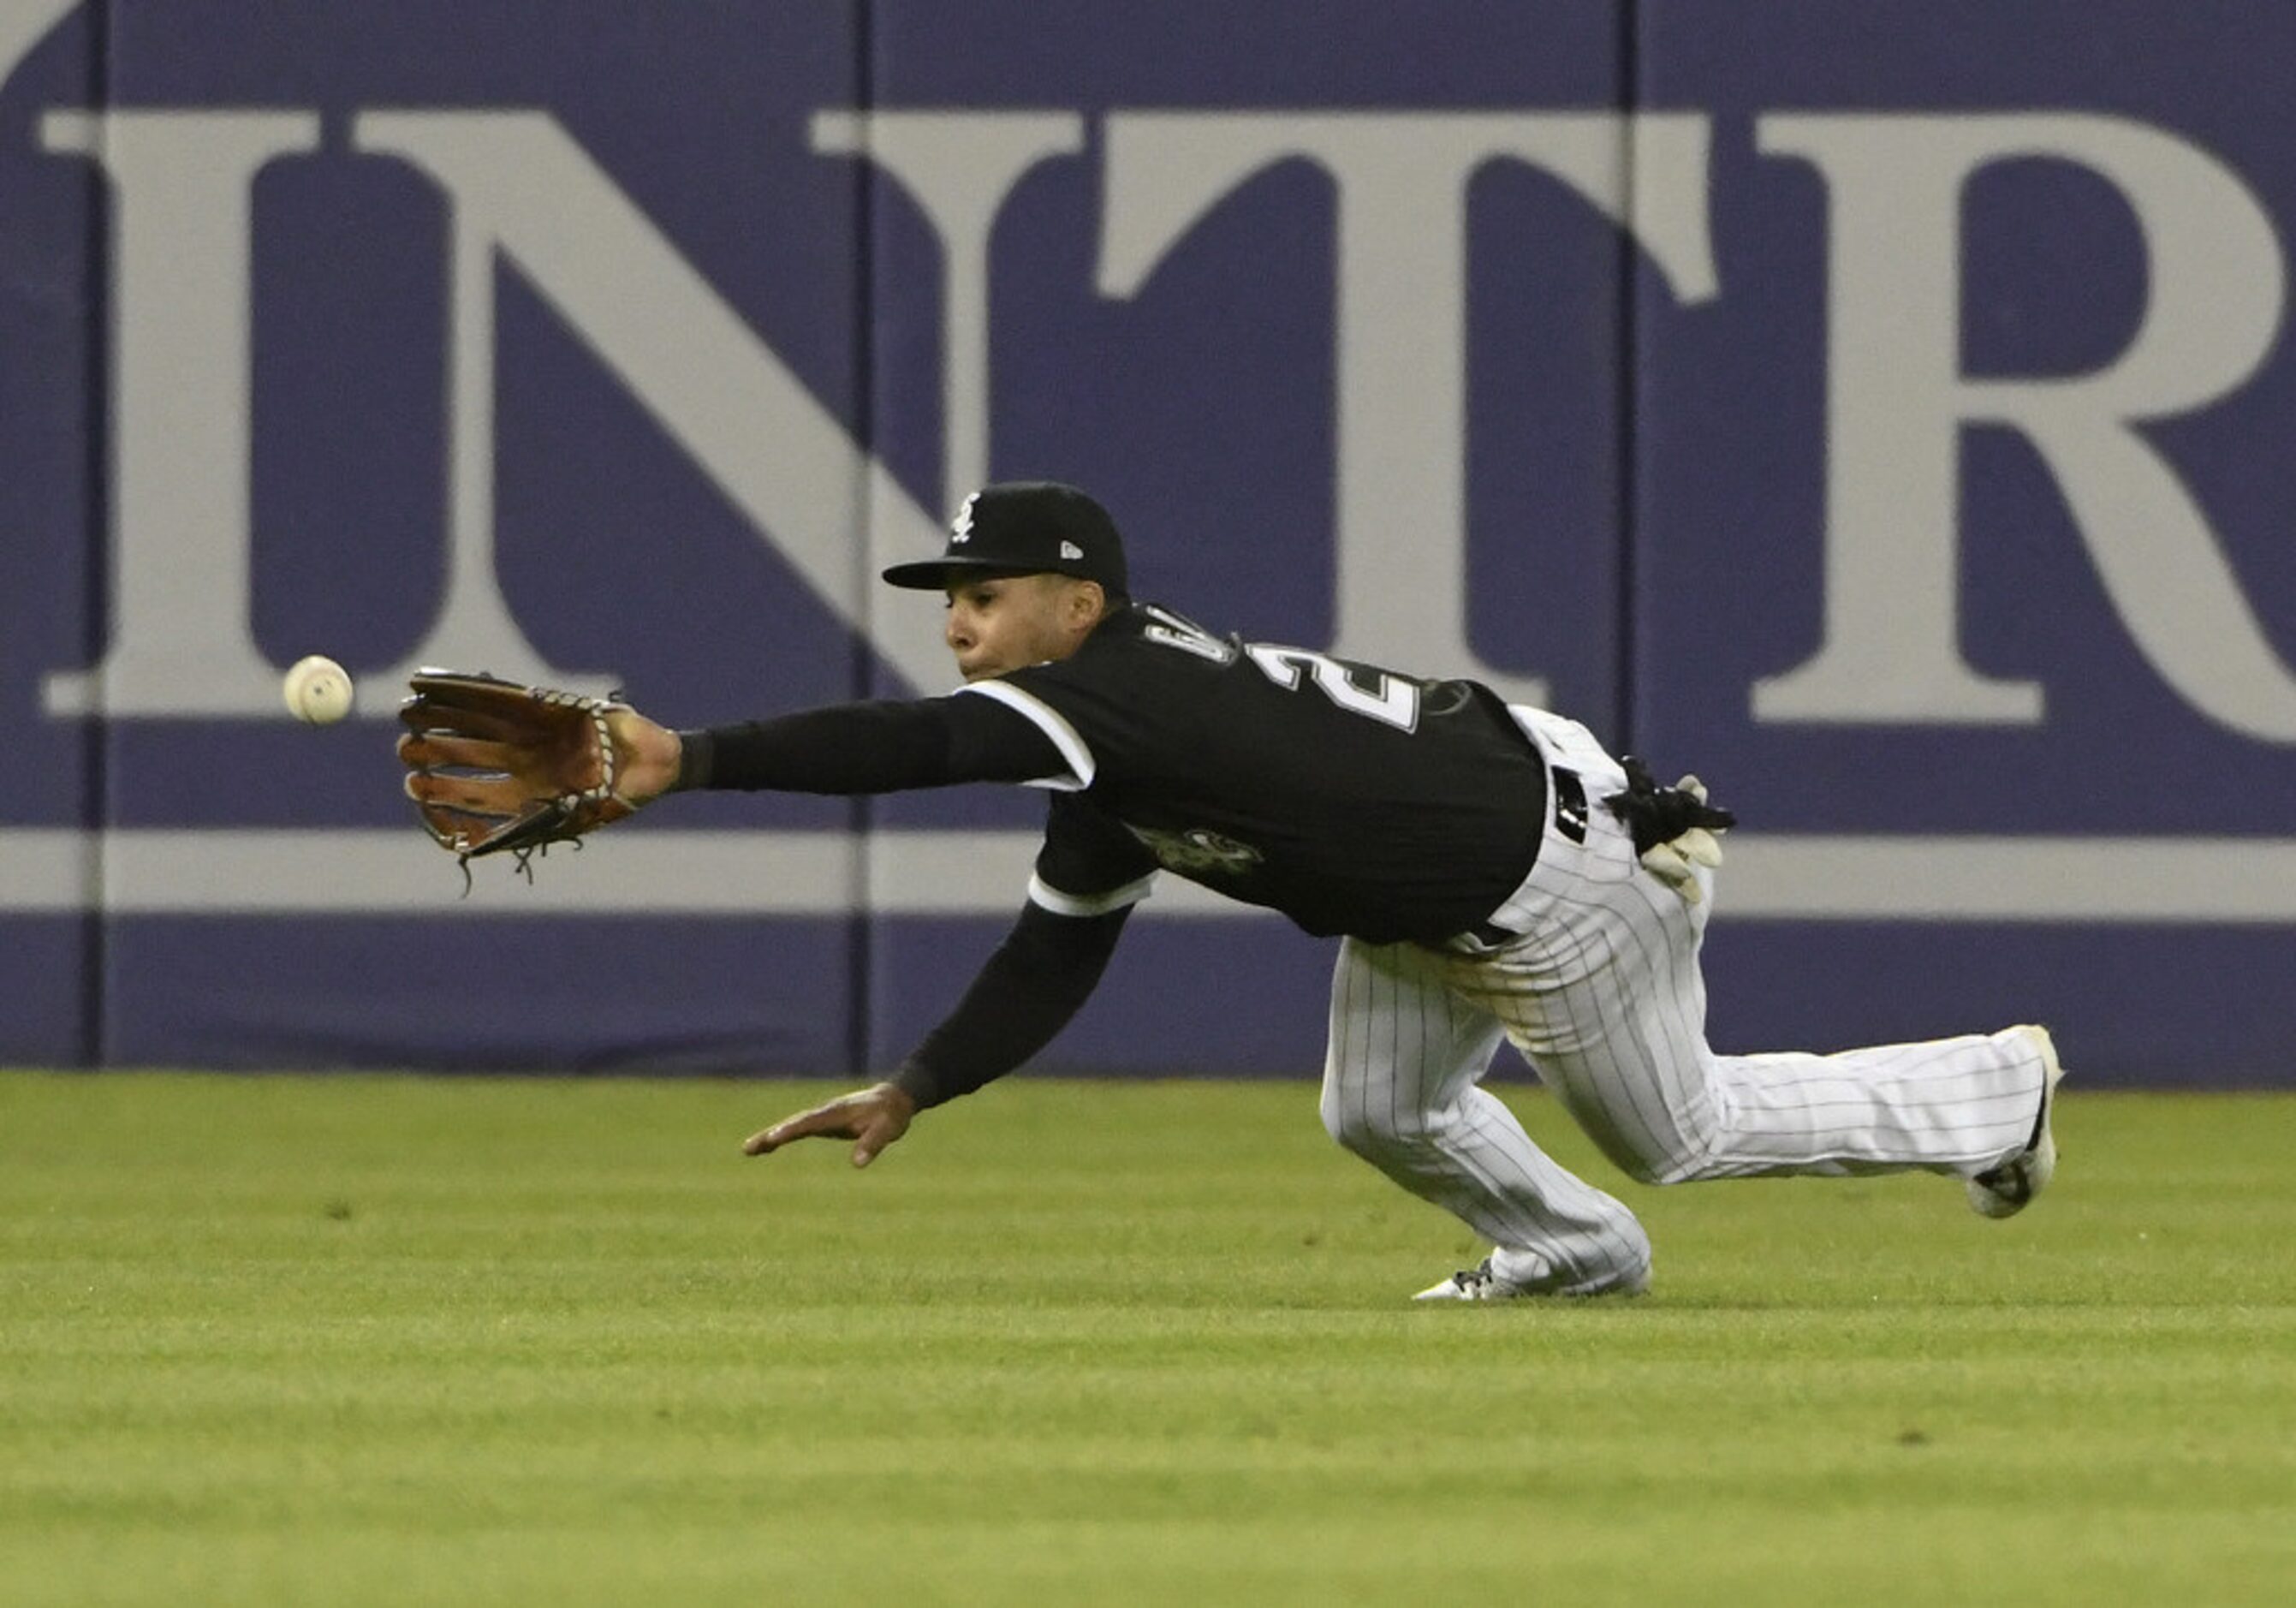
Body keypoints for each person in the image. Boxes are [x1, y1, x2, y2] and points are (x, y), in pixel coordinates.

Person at [429, 481, 2067, 1299]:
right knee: (1378, 1111)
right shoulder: (1117, 749)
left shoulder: (1119, 688)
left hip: (1555, 876)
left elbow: (916, 747)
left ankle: (1996, 1088)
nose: (958, 624)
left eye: (983, 597)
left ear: (1075, 601)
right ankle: (1573, 1258)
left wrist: (685, 759)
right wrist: (923, 1084)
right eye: (950, 601)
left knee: (1681, 1130)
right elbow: (1052, 947)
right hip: (1457, 856)